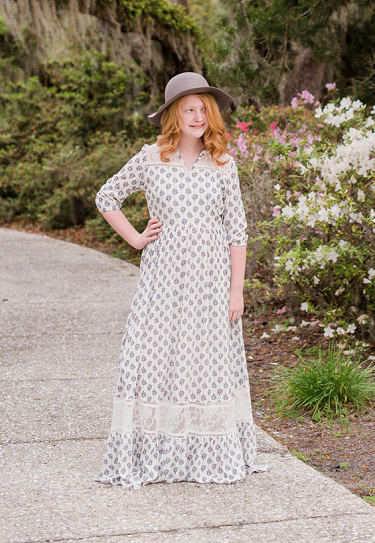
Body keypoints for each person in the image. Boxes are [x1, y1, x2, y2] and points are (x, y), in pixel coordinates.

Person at [94, 71, 267, 489]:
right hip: (162, 280)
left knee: (204, 365)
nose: (196, 116)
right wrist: (136, 237)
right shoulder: (151, 158)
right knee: (154, 359)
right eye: (188, 109)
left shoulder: (224, 165)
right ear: (173, 114)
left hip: (211, 282)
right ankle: (157, 455)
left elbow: (237, 232)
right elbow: (106, 197)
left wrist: (236, 291)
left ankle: (205, 454)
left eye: (202, 109)